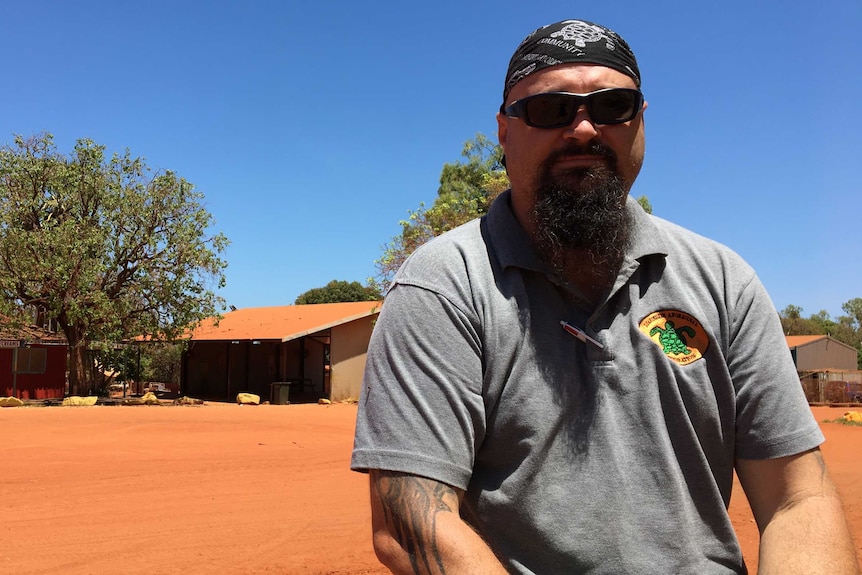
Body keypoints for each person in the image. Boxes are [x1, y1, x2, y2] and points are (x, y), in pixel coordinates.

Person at [351, 19, 859, 575]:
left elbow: (798, 499)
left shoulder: (723, 280)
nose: (584, 129)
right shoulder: (446, 284)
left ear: (640, 121)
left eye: (613, 105)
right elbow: (413, 520)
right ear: (504, 131)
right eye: (549, 109)